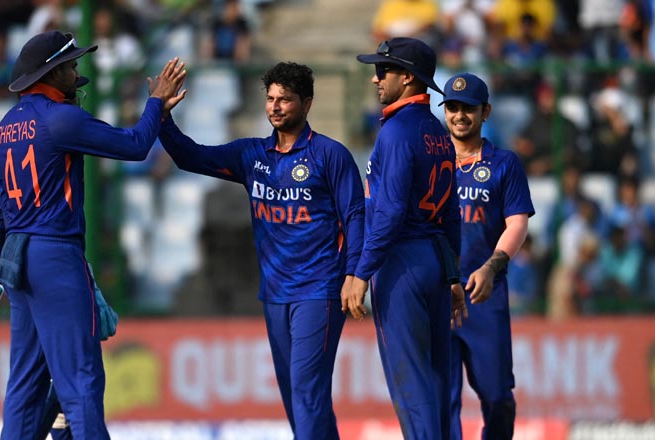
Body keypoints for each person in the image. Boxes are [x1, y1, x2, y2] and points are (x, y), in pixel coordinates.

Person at [0, 30, 187, 440]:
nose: (77, 73)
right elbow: (134, 145)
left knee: (25, 387)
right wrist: (155, 104)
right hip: (54, 256)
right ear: (53, 71)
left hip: (17, 262)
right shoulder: (61, 119)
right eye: (72, 66)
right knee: (82, 381)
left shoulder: (6, 127)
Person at [158, 61, 365, 439]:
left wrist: (355, 275)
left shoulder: (330, 155)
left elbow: (355, 218)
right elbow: (191, 157)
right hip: (274, 294)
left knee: (307, 392)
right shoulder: (251, 155)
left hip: (319, 290)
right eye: (270, 99)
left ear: (307, 103)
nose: (275, 107)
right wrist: (162, 117)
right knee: (296, 396)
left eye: (285, 99)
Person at [346, 37, 467, 439]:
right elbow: (451, 213)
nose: (375, 79)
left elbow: (391, 211)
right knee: (437, 380)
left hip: (402, 264)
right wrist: (453, 274)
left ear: (408, 78)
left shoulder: (395, 133)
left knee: (411, 386)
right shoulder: (436, 130)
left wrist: (362, 271)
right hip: (435, 258)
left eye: (383, 71)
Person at [440, 73, 534, 440]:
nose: (460, 115)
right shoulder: (429, 162)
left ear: (486, 112)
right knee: (441, 401)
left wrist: (492, 266)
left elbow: (517, 223)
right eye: (453, 107)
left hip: (483, 296)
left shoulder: (504, 164)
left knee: (498, 398)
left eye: (469, 109)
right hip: (438, 296)